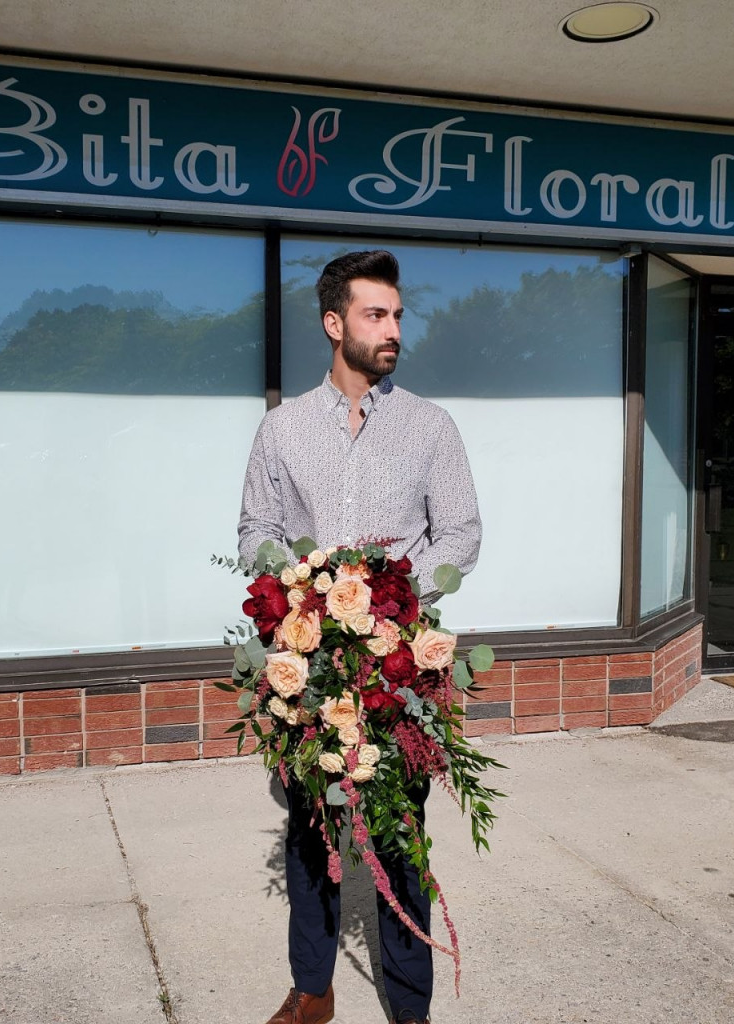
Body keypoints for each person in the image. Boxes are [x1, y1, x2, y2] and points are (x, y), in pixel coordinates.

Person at [238, 249, 482, 1024]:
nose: (394, 330)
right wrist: (300, 591)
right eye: (377, 315)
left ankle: (410, 1007)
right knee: (313, 829)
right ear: (334, 324)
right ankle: (314, 989)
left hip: (398, 669)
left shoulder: (430, 427)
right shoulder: (281, 431)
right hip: (308, 669)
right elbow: (255, 532)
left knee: (400, 832)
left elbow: (462, 533)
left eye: (398, 314)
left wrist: (396, 598)